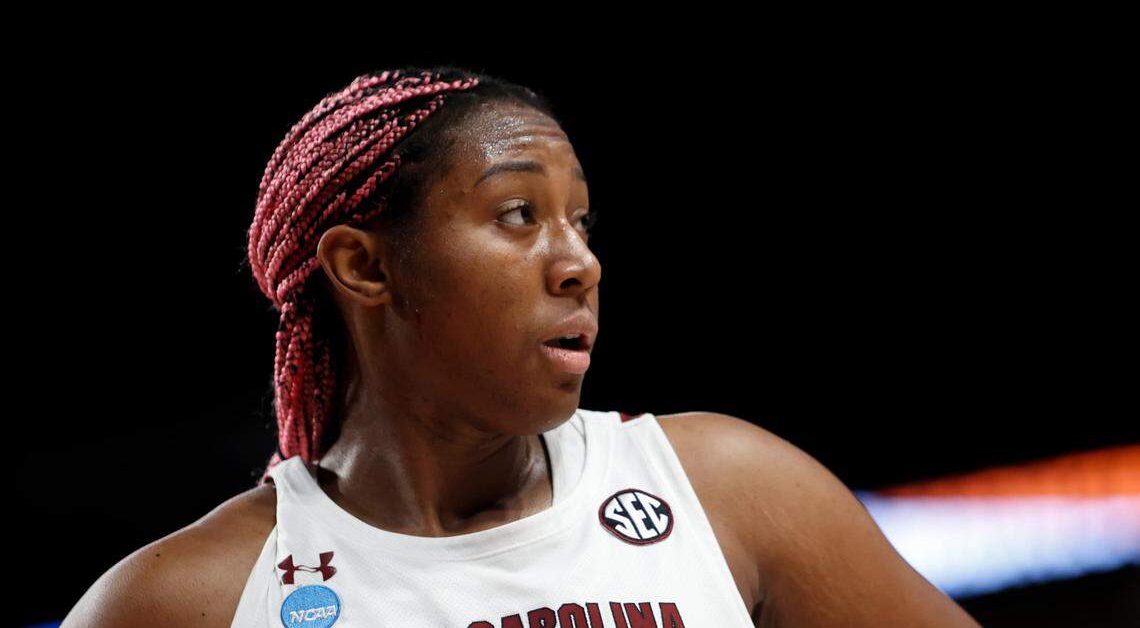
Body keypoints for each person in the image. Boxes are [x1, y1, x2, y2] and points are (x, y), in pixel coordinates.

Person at [63, 65, 981, 627]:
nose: (578, 260)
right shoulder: (190, 600)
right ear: (364, 266)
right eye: (518, 215)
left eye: (580, 221)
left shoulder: (732, 490)